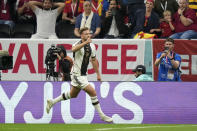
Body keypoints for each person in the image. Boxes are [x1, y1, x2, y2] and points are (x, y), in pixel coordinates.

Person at [46, 27, 113, 123]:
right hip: (76, 74)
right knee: (93, 92)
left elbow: (93, 60)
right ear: (81, 35)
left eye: (89, 33)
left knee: (73, 94)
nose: (88, 35)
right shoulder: (77, 44)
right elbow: (73, 49)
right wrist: (85, 43)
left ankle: (52, 102)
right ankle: (102, 115)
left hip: (83, 74)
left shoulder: (92, 46)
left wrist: (98, 74)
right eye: (86, 34)